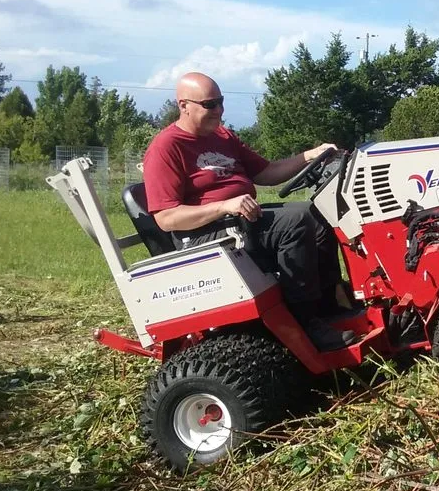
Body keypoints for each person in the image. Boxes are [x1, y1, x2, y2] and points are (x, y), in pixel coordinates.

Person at [143, 72, 356, 350]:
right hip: (205, 235)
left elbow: (267, 172)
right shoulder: (166, 147)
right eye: (210, 104)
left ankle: (330, 303)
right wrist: (222, 206)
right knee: (295, 220)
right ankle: (305, 322)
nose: (219, 110)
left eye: (220, 102)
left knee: (316, 213)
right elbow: (166, 217)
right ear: (184, 105)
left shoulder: (223, 136)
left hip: (241, 221)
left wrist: (310, 155)